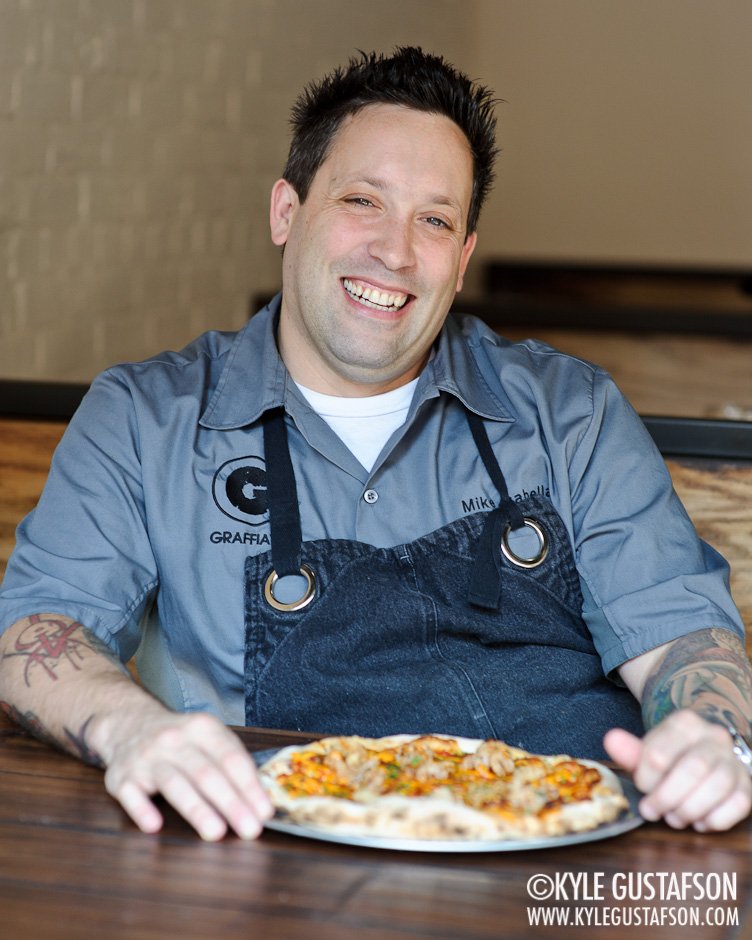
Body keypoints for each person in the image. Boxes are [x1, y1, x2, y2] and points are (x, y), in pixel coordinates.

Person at [0, 47, 750, 843]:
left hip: (560, 857)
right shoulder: (144, 417)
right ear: (286, 213)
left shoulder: (573, 411)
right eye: (363, 201)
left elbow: (683, 639)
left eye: (435, 220)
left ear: (462, 260)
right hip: (270, 864)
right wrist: (133, 731)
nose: (396, 251)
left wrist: (712, 734)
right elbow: (34, 632)